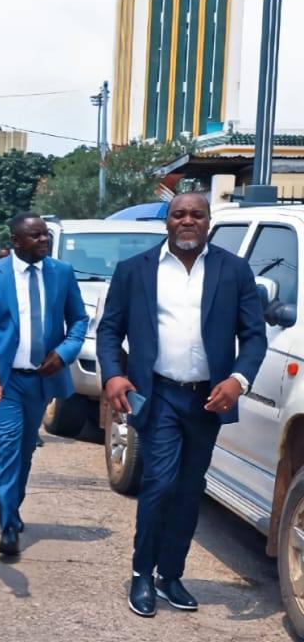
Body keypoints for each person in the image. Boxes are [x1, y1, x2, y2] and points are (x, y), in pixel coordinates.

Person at [97, 193, 266, 617]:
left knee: (191, 490)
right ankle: (142, 574)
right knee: (159, 484)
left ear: (209, 221)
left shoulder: (234, 270)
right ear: (167, 221)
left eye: (196, 214)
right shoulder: (135, 271)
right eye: (179, 214)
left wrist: (238, 380)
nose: (187, 220)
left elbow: (254, 335)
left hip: (208, 399)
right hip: (158, 395)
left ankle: (170, 575)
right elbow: (109, 331)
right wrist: (114, 374)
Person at [0, 212, 88, 558]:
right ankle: (7, 524)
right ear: (16, 242)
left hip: (40, 380)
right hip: (1, 381)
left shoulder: (61, 273)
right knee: (7, 447)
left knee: (24, 450)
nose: (44, 241)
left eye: (46, 235)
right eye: (35, 237)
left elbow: (79, 319)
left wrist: (64, 353)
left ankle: (13, 506)